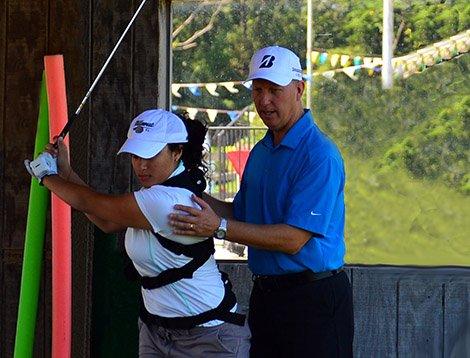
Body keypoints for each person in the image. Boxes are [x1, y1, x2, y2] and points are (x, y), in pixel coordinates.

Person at [168, 46, 354, 357]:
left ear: (299, 89)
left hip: (314, 299)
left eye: (274, 90)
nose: (264, 100)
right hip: (266, 297)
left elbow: (293, 238)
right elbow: (241, 213)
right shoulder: (261, 150)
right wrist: (183, 191)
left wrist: (219, 227)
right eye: (257, 89)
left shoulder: (320, 155)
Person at [25, 109, 251, 357]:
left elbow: (92, 204)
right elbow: (107, 222)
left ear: (177, 153)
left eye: (151, 155)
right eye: (135, 156)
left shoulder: (165, 200)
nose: (141, 165)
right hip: (156, 330)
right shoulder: (159, 191)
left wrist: (46, 176)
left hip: (208, 337)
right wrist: (65, 173)